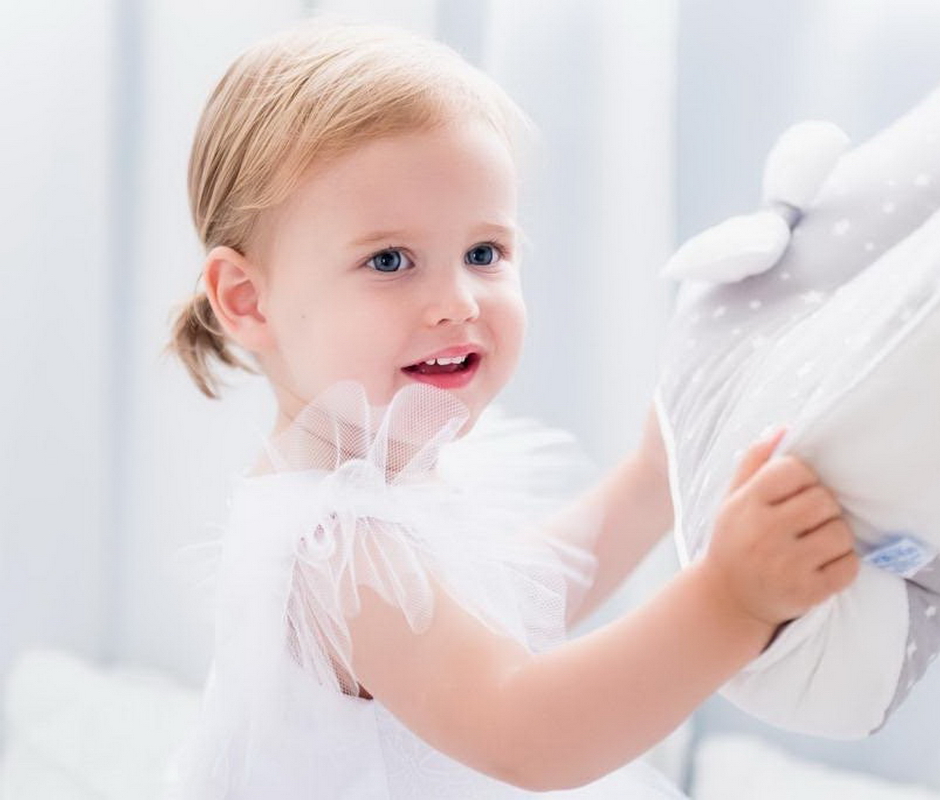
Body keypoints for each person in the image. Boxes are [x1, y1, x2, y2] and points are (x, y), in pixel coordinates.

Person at [162, 17, 860, 798]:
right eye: (389, 260)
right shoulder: (337, 544)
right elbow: (525, 734)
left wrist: (650, 480)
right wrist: (728, 601)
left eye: (484, 253)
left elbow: (506, 604)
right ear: (247, 299)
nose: (458, 301)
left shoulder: (380, 475)